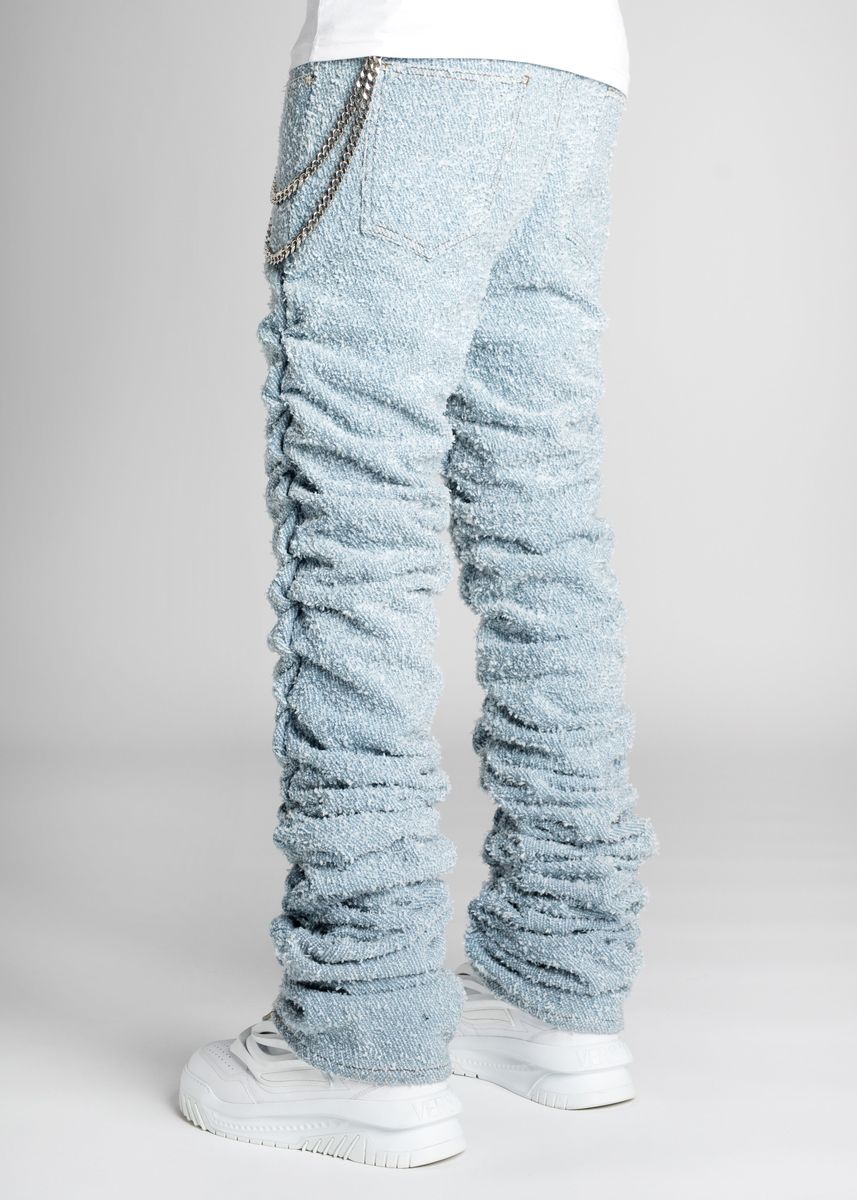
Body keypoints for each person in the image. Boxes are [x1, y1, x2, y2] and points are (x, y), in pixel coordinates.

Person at [179, 0, 656, 1168]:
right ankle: (555, 984)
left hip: (403, 53)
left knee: (358, 534)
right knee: (539, 522)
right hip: (573, 65)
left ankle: (358, 1031)